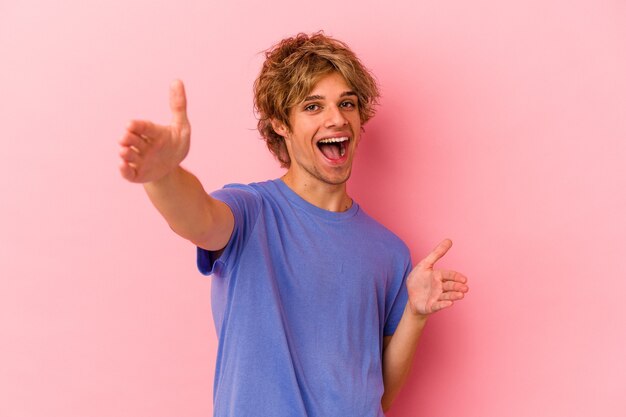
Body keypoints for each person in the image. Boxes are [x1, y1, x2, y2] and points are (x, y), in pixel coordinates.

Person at [118, 32, 468, 417]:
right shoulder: (251, 212)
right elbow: (198, 219)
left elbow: (379, 395)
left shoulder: (390, 252)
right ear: (281, 125)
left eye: (346, 103)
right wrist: (164, 175)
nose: (336, 119)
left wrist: (415, 315)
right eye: (313, 106)